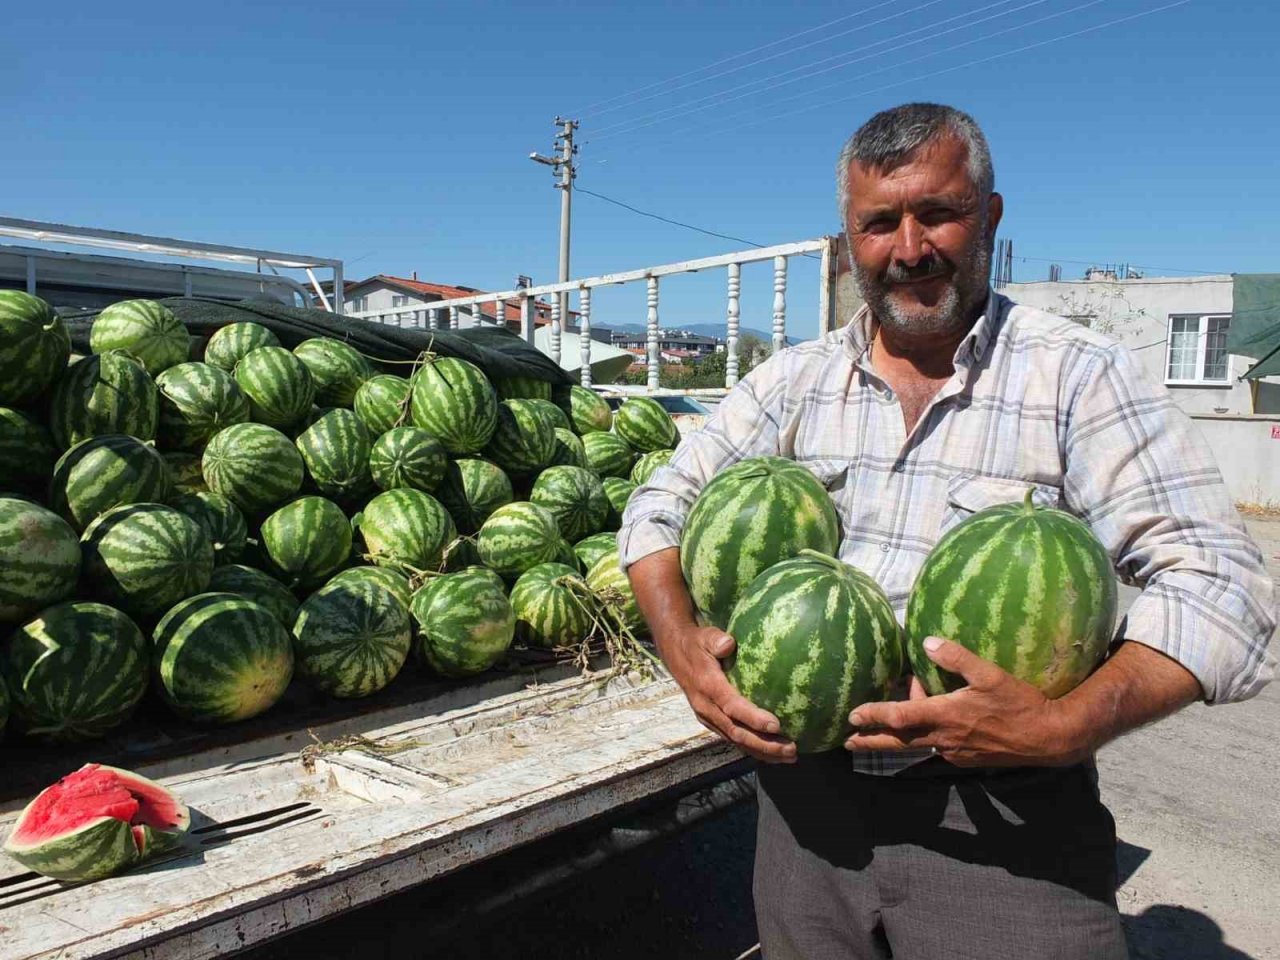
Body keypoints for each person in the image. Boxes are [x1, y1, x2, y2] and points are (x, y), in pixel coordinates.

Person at [618, 102, 1276, 959]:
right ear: (849, 239)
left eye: (939, 213)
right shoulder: (792, 382)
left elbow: (1223, 590)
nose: (909, 247)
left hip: (1006, 822)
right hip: (804, 812)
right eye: (879, 223)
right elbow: (659, 505)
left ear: (990, 217)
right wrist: (682, 647)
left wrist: (1067, 726)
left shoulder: (1076, 375)